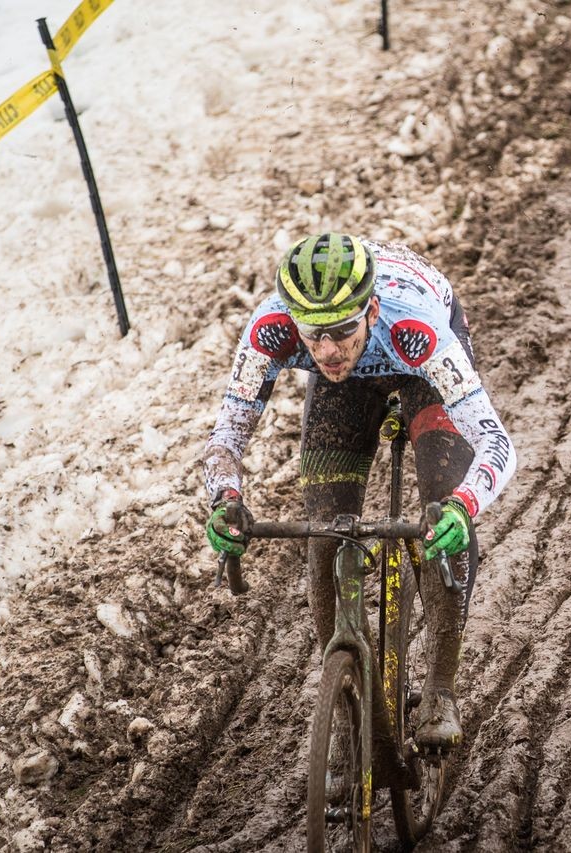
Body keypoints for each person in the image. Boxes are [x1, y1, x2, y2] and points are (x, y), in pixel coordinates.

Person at [201, 232, 517, 753]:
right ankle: (349, 704)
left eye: (341, 331)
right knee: (325, 533)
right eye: (313, 334)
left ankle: (440, 688)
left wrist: (464, 506)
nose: (326, 349)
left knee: (440, 512)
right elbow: (225, 438)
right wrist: (225, 499)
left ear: (369, 310)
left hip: (420, 372)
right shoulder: (271, 329)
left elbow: (497, 441)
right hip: (342, 391)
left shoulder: (418, 330)